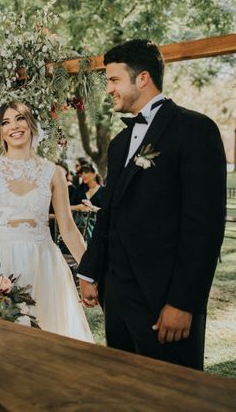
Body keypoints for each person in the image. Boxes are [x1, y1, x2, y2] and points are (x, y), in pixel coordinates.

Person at [78, 39, 226, 370]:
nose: (109, 89)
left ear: (142, 78)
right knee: (126, 392)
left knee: (172, 395)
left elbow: (204, 225)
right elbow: (110, 212)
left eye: (114, 80)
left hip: (163, 301)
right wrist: (90, 269)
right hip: (117, 298)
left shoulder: (195, 130)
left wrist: (183, 302)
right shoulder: (118, 145)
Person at [0, 100, 93, 342]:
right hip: (2, 264)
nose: (13, 126)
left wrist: (92, 273)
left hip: (45, 264)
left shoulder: (53, 172)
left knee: (49, 337)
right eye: (5, 122)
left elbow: (68, 229)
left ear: (32, 124)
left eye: (19, 118)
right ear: (0, 132)